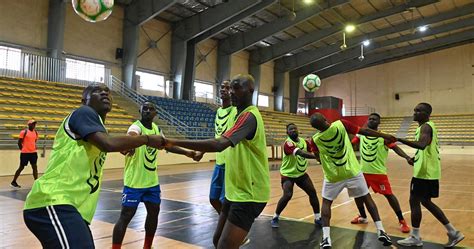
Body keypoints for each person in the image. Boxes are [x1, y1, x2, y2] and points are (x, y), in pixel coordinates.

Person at [23, 84, 165, 248]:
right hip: (52, 201)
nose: (105, 93)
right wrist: (147, 139)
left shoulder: (97, 128)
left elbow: (108, 143)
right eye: (97, 91)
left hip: (71, 208)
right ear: (84, 100)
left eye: (108, 91)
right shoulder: (83, 112)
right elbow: (108, 144)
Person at [163, 74, 269, 249]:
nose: (232, 92)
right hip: (235, 191)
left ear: (251, 90)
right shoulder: (237, 115)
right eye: (230, 88)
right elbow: (219, 138)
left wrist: (173, 141)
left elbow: (220, 144)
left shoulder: (249, 117)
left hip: (249, 194)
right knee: (217, 240)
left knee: (224, 246)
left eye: (237, 88)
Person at [112, 101, 203, 249]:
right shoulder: (136, 127)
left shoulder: (156, 129)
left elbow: (167, 146)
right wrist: (129, 144)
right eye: (145, 109)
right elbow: (131, 136)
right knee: (126, 216)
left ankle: (147, 246)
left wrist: (188, 153)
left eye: (151, 109)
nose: (147, 111)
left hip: (152, 183)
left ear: (155, 113)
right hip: (134, 183)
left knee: (154, 213)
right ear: (140, 111)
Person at [309, 113, 394, 249]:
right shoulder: (341, 124)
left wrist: (323, 159)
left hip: (333, 175)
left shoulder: (315, 140)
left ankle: (326, 238)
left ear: (315, 128)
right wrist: (384, 135)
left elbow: (317, 156)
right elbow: (364, 131)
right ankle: (381, 230)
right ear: (325, 119)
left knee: (326, 202)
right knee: (367, 197)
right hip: (352, 171)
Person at [396, 103, 464, 247]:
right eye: (414, 110)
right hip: (428, 172)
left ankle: (415, 236)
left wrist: (400, 139)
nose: (414, 112)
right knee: (426, 201)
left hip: (424, 174)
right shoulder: (424, 127)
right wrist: (416, 158)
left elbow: (421, 144)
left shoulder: (426, 126)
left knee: (414, 201)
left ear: (427, 113)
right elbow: (425, 149)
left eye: (418, 110)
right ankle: (453, 232)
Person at [349, 113, 411, 233]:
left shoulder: (384, 137)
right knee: (358, 195)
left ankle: (402, 220)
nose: (371, 120)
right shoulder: (361, 135)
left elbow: (396, 148)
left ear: (379, 122)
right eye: (370, 119)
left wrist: (407, 157)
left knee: (389, 196)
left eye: (374, 119)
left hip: (378, 173)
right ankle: (363, 217)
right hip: (362, 172)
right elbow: (352, 143)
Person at [271, 123, 321, 228]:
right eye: (290, 129)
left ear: (298, 130)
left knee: (312, 192)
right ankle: (275, 217)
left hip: (301, 174)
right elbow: (301, 153)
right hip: (288, 174)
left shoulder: (303, 141)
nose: (293, 130)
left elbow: (313, 149)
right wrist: (317, 158)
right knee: (287, 195)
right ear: (287, 132)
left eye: (295, 128)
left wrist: (319, 151)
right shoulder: (288, 144)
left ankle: (318, 218)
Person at [210, 80, 237, 214]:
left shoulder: (235, 111)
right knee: (213, 199)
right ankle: (228, 226)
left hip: (231, 164)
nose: (223, 89)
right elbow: (217, 137)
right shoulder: (218, 112)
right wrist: (202, 152)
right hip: (219, 162)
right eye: (222, 87)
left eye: (227, 87)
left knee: (225, 201)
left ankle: (232, 231)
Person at [11, 119, 39, 189]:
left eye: (34, 124)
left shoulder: (35, 132)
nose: (34, 125)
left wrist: (33, 148)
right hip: (25, 153)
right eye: (32, 124)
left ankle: (36, 182)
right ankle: (13, 182)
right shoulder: (24, 132)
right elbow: (19, 142)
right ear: (29, 125)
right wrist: (23, 149)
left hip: (33, 153)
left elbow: (34, 141)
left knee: (34, 167)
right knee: (21, 167)